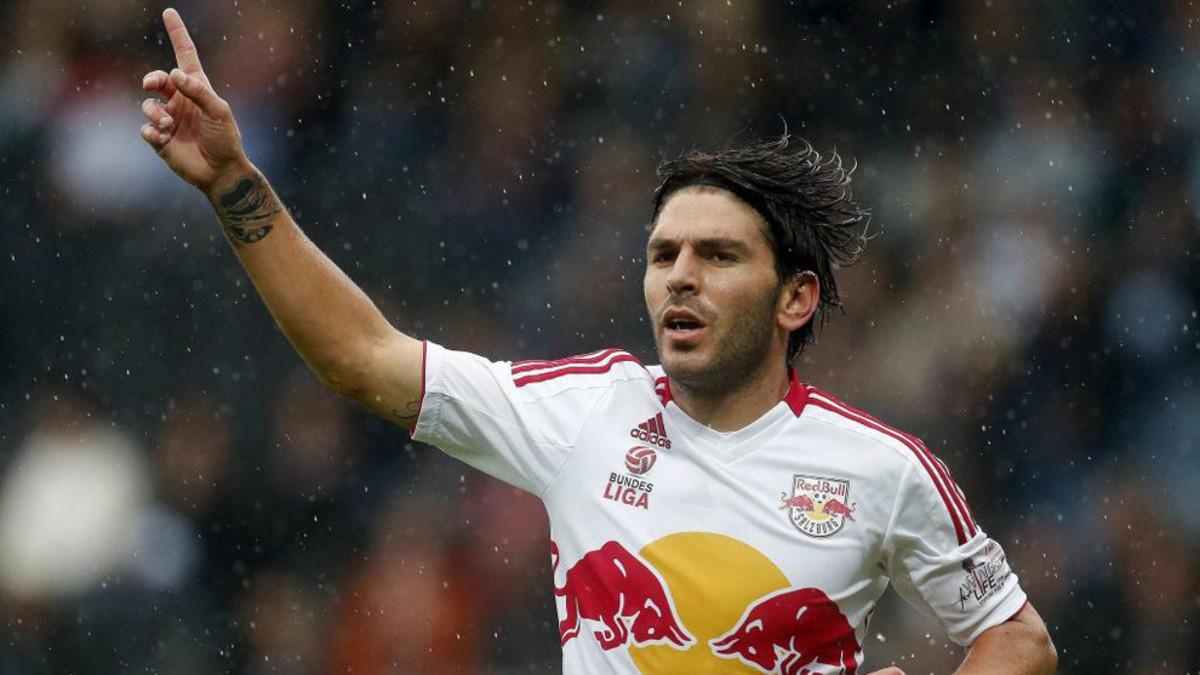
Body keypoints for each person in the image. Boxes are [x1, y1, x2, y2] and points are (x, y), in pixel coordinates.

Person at [139, 8, 1057, 674]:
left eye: (719, 254)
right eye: (664, 254)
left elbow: (1016, 637)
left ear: (796, 298)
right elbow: (362, 355)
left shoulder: (883, 468)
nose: (680, 276)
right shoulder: (586, 408)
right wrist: (233, 186)